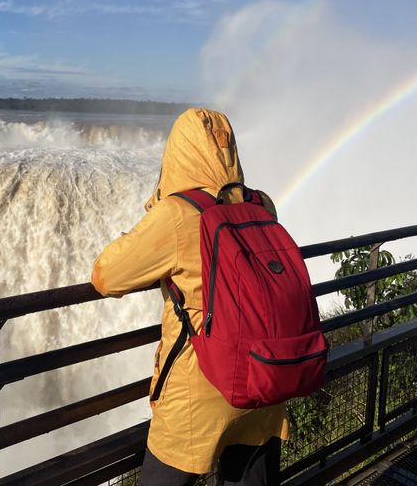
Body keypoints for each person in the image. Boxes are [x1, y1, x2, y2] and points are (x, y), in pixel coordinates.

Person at [91, 108, 288, 485]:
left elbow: (106, 276)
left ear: (177, 154)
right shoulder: (262, 204)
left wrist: (157, 204)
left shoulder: (177, 215)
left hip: (199, 391)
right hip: (263, 380)